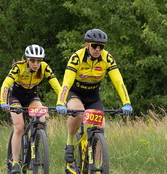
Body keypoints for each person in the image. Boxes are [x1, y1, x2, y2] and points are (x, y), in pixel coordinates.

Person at [56, 28, 132, 163]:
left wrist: (127, 103)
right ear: (87, 45)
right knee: (78, 113)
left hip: (93, 96)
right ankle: (70, 143)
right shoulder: (76, 57)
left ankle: (96, 168)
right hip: (75, 93)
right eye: (94, 46)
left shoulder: (107, 58)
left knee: (100, 128)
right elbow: (66, 82)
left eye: (101, 47)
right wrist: (60, 102)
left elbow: (118, 81)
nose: (98, 49)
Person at [0, 44, 62, 174]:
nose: (36, 64)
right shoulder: (19, 67)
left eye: (39, 61)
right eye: (33, 60)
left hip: (32, 97)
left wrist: (62, 102)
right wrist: (3, 101)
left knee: (41, 120)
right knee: (19, 127)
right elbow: (6, 84)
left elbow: (56, 85)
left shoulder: (44, 67)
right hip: (16, 97)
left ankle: (35, 147)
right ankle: (15, 161)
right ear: (27, 59)